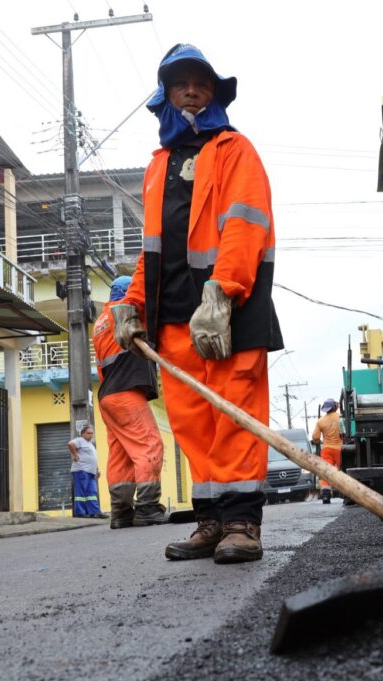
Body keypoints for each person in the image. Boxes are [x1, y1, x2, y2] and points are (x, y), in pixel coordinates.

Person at [111, 43, 283, 564]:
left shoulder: (235, 150)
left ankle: (241, 524)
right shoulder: (159, 166)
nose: (192, 90)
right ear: (165, 94)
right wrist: (134, 303)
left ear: (214, 93)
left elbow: (246, 224)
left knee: (234, 415)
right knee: (193, 421)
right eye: (181, 82)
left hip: (228, 310)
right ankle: (211, 520)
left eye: (201, 82)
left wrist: (223, 290)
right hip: (175, 318)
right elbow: (153, 248)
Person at [93, 276, 168, 529]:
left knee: (121, 455)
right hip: (126, 392)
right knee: (150, 445)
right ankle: (147, 508)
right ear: (127, 293)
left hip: (108, 396)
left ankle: (121, 513)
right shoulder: (125, 311)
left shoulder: (101, 321)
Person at [310, 398, 344, 504]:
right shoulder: (341, 418)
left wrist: (319, 441)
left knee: (326, 472)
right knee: (342, 471)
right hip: (340, 449)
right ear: (335, 407)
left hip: (326, 449)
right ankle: (347, 492)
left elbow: (315, 437)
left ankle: (325, 493)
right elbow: (345, 432)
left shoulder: (320, 421)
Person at [67, 426, 104, 518]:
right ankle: (80, 513)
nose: (91, 435)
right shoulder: (80, 440)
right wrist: (75, 455)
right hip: (81, 470)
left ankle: (94, 512)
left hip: (91, 472)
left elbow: (92, 458)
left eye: (92, 433)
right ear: (83, 433)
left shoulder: (90, 444)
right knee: (81, 493)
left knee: (92, 493)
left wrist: (97, 469)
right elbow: (70, 444)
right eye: (88, 433)